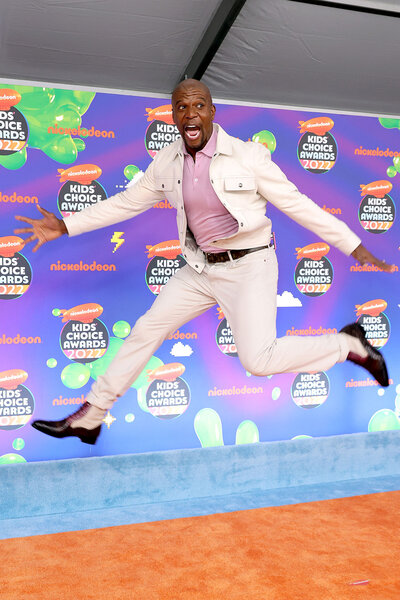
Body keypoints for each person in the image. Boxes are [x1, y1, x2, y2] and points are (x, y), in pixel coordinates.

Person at [15, 79, 394, 445]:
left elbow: (297, 204)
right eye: (181, 107)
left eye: (198, 105)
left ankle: (347, 344)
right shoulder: (167, 161)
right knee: (146, 329)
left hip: (250, 266)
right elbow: (126, 203)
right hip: (199, 268)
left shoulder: (248, 157)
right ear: (173, 116)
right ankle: (92, 416)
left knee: (259, 361)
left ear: (211, 111)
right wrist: (66, 225)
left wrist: (352, 245)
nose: (190, 113)